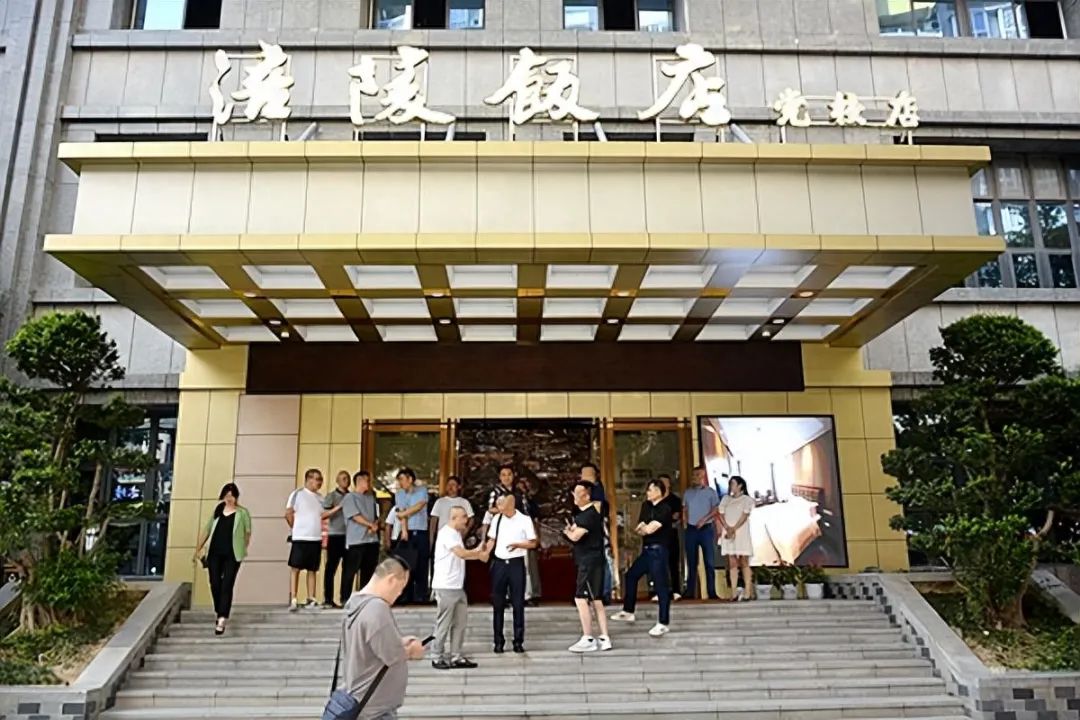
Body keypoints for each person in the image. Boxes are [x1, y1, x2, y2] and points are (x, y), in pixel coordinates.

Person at [337, 557, 426, 720]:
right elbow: (392, 654)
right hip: (375, 709)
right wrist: (413, 650)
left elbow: (369, 645)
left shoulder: (355, 603)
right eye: (400, 588)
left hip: (361, 700)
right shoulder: (376, 608)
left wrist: (399, 642)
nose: (399, 594)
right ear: (391, 580)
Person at [610, 479, 674, 637]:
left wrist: (646, 528)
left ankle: (663, 622)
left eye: (650, 490)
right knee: (631, 575)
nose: (648, 493)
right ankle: (628, 611)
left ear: (658, 491)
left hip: (659, 551)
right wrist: (645, 528)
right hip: (646, 550)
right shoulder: (646, 506)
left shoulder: (665, 508)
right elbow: (639, 528)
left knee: (661, 586)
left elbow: (651, 529)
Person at [431, 507, 489, 670]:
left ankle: (456, 655)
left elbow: (463, 554)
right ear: (454, 518)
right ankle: (436, 655)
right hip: (445, 586)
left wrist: (478, 553)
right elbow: (461, 553)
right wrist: (478, 553)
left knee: (460, 623)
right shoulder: (446, 533)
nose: (466, 520)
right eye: (463, 517)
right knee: (444, 623)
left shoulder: (456, 534)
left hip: (457, 586)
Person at [193, 483, 251, 635]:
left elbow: (247, 533)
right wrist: (198, 548)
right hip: (215, 553)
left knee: (227, 584)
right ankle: (220, 609)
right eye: (226, 495)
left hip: (233, 554)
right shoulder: (218, 511)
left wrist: (243, 548)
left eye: (231, 496)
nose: (229, 498)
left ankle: (222, 618)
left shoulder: (242, 513)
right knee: (215, 583)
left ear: (236, 497)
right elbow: (207, 530)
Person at [564, 481, 612, 653]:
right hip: (595, 560)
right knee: (596, 600)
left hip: (588, 562)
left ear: (586, 495)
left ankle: (588, 637)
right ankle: (604, 637)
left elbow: (575, 536)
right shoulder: (589, 514)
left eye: (578, 493)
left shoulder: (587, 515)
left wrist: (567, 532)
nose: (574, 497)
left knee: (580, 598)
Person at [486, 493, 537, 653]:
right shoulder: (497, 519)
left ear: (511, 504)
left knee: (518, 603)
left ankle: (518, 641)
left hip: (516, 563)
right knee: (498, 603)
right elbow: (492, 539)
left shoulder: (524, 520)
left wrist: (518, 545)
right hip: (499, 563)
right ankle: (498, 641)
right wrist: (484, 553)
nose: (499, 508)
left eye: (501, 504)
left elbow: (533, 542)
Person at [285, 468, 325, 612]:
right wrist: (295, 528)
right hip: (300, 537)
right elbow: (288, 513)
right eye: (317, 479)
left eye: (320, 480)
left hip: (315, 537)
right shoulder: (297, 494)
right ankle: (294, 598)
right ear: (308, 479)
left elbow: (323, 514)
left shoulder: (320, 498)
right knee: (295, 567)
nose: (319, 482)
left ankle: (311, 597)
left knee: (312, 569)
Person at [341, 470, 381, 604]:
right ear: (359, 481)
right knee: (350, 571)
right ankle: (345, 598)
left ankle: (366, 598)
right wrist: (370, 525)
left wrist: (375, 524)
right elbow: (354, 516)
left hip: (371, 539)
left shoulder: (371, 498)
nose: (369, 483)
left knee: (368, 571)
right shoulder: (350, 497)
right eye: (366, 480)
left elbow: (376, 515)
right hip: (356, 541)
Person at [682, 465, 720, 600]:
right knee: (692, 562)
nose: (695, 478)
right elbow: (685, 508)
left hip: (706, 529)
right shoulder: (687, 493)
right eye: (694, 475)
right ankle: (690, 592)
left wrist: (704, 520)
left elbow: (716, 510)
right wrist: (685, 522)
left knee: (709, 562)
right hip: (691, 530)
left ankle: (711, 592)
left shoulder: (711, 492)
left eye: (698, 475)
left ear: (704, 476)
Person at [394, 468, 431, 605]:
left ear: (410, 479)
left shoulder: (422, 491)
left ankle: (421, 595)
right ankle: (405, 596)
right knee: (406, 564)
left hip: (421, 531)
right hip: (407, 532)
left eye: (402, 479)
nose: (401, 483)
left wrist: (403, 514)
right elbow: (401, 509)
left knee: (422, 564)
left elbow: (419, 506)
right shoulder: (399, 494)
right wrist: (404, 530)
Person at [580, 462, 614, 603]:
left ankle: (604, 592)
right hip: (584, 532)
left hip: (598, 531)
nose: (585, 476)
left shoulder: (597, 490)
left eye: (589, 474)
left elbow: (597, 509)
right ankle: (588, 592)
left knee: (603, 561)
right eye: (583, 474)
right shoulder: (581, 490)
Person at [718, 475, 755, 601]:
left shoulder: (747, 500)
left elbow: (745, 515)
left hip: (741, 532)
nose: (731, 486)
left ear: (740, 485)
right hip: (728, 531)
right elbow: (721, 513)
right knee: (732, 561)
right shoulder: (726, 499)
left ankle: (747, 591)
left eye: (733, 484)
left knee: (744, 560)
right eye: (730, 484)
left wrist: (734, 528)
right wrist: (727, 527)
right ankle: (733, 592)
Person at [321, 470, 352, 608]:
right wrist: (339, 507)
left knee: (348, 569)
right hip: (335, 535)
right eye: (344, 478)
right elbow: (324, 514)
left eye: (348, 478)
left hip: (350, 536)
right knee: (331, 568)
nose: (346, 481)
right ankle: (328, 599)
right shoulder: (331, 496)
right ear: (337, 481)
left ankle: (345, 598)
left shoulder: (352, 496)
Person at [516, 477, 543, 606]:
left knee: (530, 567)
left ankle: (532, 594)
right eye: (520, 485)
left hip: (529, 535)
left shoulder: (531, 503)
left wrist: (537, 536)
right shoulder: (513, 500)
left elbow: (536, 520)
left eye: (525, 485)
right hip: (516, 536)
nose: (523, 487)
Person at [656, 474, 683, 602]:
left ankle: (676, 590)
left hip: (671, 534)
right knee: (659, 564)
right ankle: (660, 591)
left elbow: (676, 516)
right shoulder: (655, 500)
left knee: (673, 563)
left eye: (665, 482)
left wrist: (662, 520)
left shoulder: (674, 500)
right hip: (657, 535)